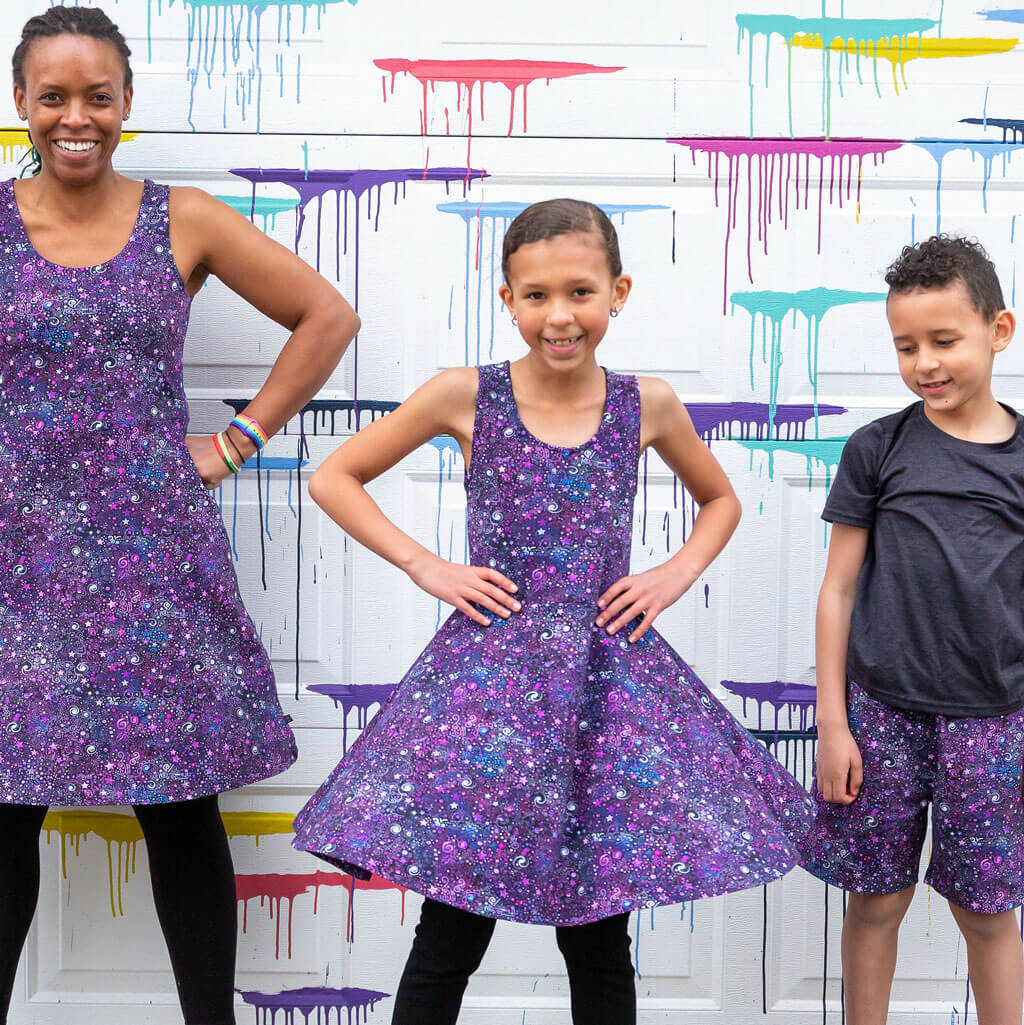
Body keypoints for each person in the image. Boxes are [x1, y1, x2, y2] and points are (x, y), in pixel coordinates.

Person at [291, 198, 815, 1025]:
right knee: (451, 930)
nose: (559, 315)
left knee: (598, 937)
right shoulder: (465, 394)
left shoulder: (647, 404)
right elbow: (333, 476)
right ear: (507, 299)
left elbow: (720, 499)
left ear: (618, 292)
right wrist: (428, 565)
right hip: (488, 701)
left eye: (580, 292)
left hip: (602, 698)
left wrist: (670, 575)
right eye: (536, 295)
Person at [0, 8, 359, 1025]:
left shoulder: (184, 218)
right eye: (53, 96)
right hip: (18, 557)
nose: (76, 117)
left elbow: (327, 316)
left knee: (178, 800)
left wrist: (236, 439)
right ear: (21, 103)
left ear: (127, 103)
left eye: (98, 96)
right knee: (6, 804)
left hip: (151, 560)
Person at [804, 235, 1024, 1025]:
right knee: (875, 901)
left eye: (944, 340)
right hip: (882, 716)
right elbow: (838, 590)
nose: (925, 363)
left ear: (998, 330)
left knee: (988, 913)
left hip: (994, 721)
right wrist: (834, 724)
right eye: (906, 346)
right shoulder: (878, 448)